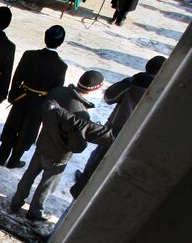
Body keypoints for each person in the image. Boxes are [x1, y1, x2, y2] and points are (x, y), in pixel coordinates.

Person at [10, 71, 112, 222]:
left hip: (43, 143)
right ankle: (35, 212)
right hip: (58, 156)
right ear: (94, 89)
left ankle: (16, 202)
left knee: (29, 175)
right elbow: (77, 146)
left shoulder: (58, 91)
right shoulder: (81, 113)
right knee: (46, 186)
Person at [71, 55, 166, 198]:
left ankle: (80, 188)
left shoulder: (133, 83)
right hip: (139, 134)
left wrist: (128, 81)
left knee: (98, 158)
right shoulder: (164, 90)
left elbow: (109, 97)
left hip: (116, 129)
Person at [0, 25, 67, 169]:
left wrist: (13, 95)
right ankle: (14, 160)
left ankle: (1, 156)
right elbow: (56, 91)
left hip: (22, 97)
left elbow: (17, 76)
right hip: (39, 103)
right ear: (61, 42)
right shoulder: (60, 66)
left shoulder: (29, 55)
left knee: (12, 125)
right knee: (27, 132)